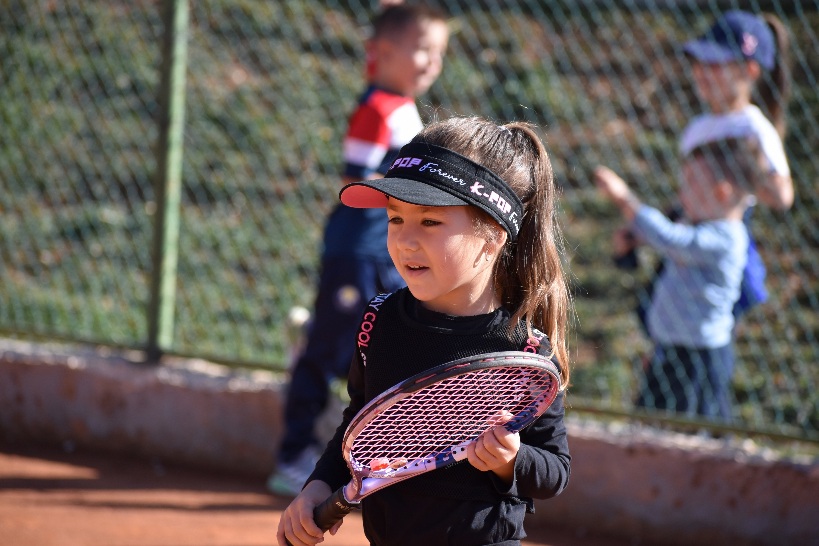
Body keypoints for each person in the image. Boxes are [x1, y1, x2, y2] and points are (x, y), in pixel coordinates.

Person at [277, 116, 573, 546]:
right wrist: (319, 486)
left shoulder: (526, 351)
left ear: (492, 235)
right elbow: (359, 425)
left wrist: (512, 460)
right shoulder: (379, 323)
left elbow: (554, 472)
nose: (405, 241)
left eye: (430, 222)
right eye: (395, 220)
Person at [267, 4, 450, 498]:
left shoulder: (407, 108)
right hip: (356, 251)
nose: (432, 62)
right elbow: (356, 181)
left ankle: (384, 461)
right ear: (384, 52)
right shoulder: (377, 109)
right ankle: (293, 457)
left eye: (439, 53)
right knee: (327, 354)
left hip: (389, 251)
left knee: (386, 350)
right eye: (423, 50)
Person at [614, 10, 793, 325]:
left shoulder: (754, 128)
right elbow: (690, 196)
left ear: (750, 70)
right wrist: (642, 232)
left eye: (715, 66)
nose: (701, 73)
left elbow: (782, 196)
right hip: (690, 231)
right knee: (660, 310)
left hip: (722, 240)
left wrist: (739, 166)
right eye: (699, 64)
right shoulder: (698, 128)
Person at [594, 137, 767, 421]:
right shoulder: (700, 225)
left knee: (695, 434)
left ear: (721, 193)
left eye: (691, 183)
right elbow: (670, 240)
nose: (681, 192)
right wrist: (635, 240)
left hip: (699, 359)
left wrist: (624, 198)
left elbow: (672, 240)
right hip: (671, 349)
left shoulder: (727, 237)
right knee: (650, 423)